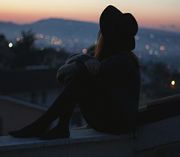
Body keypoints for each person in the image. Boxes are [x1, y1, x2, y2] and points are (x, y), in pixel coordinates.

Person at [9, 5, 140, 139]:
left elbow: (76, 73)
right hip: (113, 121)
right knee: (82, 77)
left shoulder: (122, 61)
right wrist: (83, 60)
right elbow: (66, 73)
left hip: (117, 124)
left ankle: (47, 124)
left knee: (82, 78)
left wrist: (83, 63)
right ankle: (53, 125)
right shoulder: (115, 59)